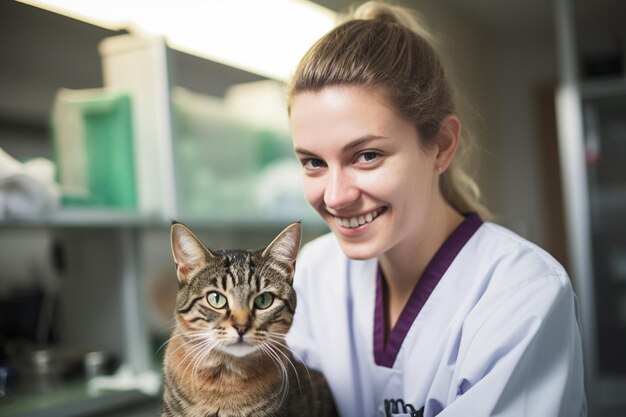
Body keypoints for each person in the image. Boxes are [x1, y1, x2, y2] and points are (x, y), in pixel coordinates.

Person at [284, 2, 587, 417]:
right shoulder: (315, 273)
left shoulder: (522, 294)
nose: (335, 197)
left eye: (367, 155)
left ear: (441, 145)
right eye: (313, 162)